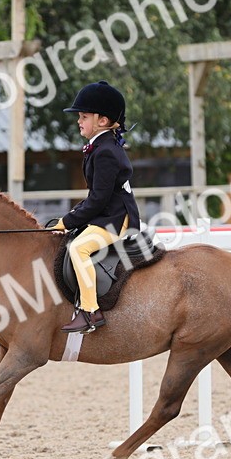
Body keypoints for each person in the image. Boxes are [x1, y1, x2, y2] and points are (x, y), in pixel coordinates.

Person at [50, 80, 140, 333]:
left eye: (84, 116)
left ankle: (90, 312)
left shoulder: (106, 152)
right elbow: (95, 196)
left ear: (102, 120)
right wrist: (69, 219)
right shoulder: (100, 147)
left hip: (116, 219)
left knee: (78, 248)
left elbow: (98, 199)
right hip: (107, 214)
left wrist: (67, 221)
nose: (79, 121)